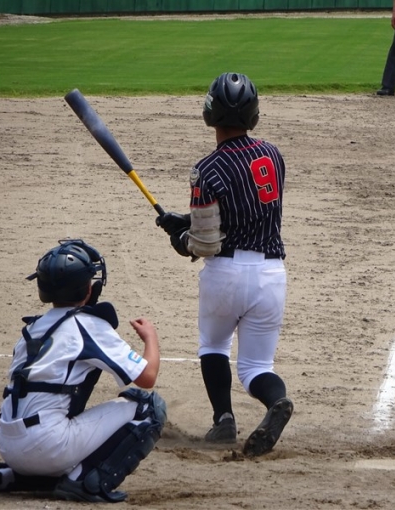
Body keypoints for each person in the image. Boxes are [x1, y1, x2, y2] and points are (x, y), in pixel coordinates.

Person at [156, 72, 293, 458]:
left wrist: (181, 237)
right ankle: (276, 401)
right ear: (253, 114)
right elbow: (248, 209)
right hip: (270, 276)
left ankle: (224, 420)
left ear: (210, 112)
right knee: (255, 368)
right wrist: (187, 219)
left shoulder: (207, 169)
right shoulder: (272, 155)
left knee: (213, 345)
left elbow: (204, 244)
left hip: (226, 276)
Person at [0, 239, 166, 503]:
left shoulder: (31, 329)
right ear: (89, 288)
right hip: (48, 444)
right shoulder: (88, 325)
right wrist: (151, 338)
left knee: (53, 420)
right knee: (148, 407)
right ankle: (85, 481)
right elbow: (147, 377)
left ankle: (10, 476)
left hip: (8, 445)